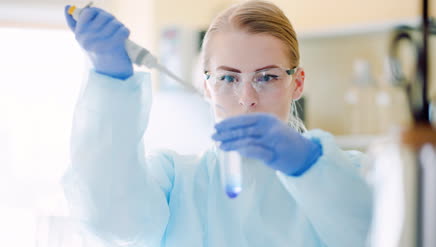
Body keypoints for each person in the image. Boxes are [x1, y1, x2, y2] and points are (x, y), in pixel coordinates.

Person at [62, 1, 372, 246]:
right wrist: (110, 79)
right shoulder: (175, 182)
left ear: (298, 83)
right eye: (228, 77)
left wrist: (310, 167)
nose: (247, 98)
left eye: (267, 77)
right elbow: (111, 218)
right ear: (206, 86)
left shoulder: (352, 176)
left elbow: (380, 235)